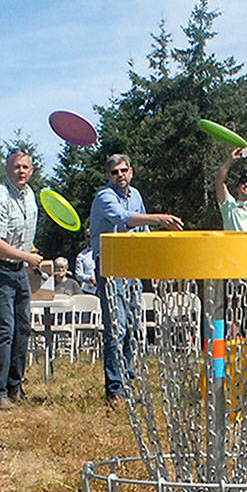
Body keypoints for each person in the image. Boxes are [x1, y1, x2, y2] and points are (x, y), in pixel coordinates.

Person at [90, 153, 183, 401]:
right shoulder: (105, 197)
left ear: (131, 171)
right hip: (110, 267)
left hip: (133, 267)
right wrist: (159, 217)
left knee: (131, 327)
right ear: (108, 175)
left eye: (124, 171)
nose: (120, 175)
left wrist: (157, 263)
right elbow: (125, 219)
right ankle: (115, 389)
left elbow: (143, 231)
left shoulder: (136, 195)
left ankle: (128, 382)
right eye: (114, 172)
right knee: (116, 328)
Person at [0, 150, 43, 408]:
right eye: (16, 167)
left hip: (19, 269)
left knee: (22, 330)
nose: (21, 171)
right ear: (7, 169)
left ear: (31, 170)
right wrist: (26, 256)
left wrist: (27, 255)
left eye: (26, 167)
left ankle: (15, 386)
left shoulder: (29, 196)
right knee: (4, 331)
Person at [75, 224, 97, 295]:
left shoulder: (103, 252)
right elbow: (78, 275)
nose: (90, 239)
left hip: (102, 289)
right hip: (87, 290)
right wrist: (89, 278)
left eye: (91, 236)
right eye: (88, 236)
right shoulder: (81, 256)